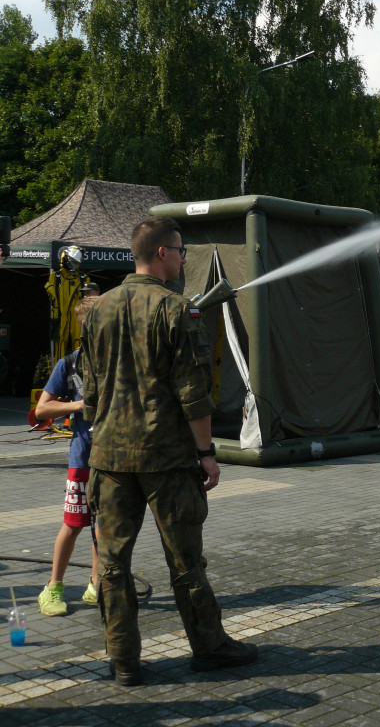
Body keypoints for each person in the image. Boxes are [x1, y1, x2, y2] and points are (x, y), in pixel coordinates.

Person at [80, 216, 257, 686]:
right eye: (180, 250)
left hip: (109, 459)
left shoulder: (97, 309)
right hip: (167, 458)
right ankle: (209, 646)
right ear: (162, 253)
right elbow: (192, 392)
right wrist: (208, 453)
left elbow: (91, 390)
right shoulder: (177, 310)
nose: (183, 259)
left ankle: (122, 661)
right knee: (186, 560)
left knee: (113, 564)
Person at [36, 296, 101, 617]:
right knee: (74, 524)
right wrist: (78, 406)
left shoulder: (121, 361)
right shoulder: (70, 364)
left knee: (106, 526)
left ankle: (96, 584)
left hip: (114, 460)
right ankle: (53, 586)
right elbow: (43, 408)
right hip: (82, 460)